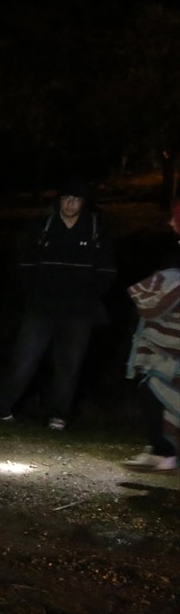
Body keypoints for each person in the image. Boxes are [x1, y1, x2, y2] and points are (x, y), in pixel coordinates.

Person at [0, 179, 116, 430]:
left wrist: (88, 296)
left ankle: (57, 414)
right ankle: (0, 408)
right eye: (66, 198)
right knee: (23, 359)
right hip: (41, 308)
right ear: (58, 201)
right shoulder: (42, 228)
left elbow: (107, 270)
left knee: (68, 364)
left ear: (84, 203)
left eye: (76, 198)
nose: (70, 203)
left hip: (78, 312)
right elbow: (24, 264)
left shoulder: (96, 230)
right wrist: (33, 293)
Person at [122, 197, 180, 472]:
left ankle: (163, 451)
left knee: (155, 387)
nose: (170, 222)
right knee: (155, 389)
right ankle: (162, 448)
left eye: (175, 217)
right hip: (167, 340)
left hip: (172, 344)